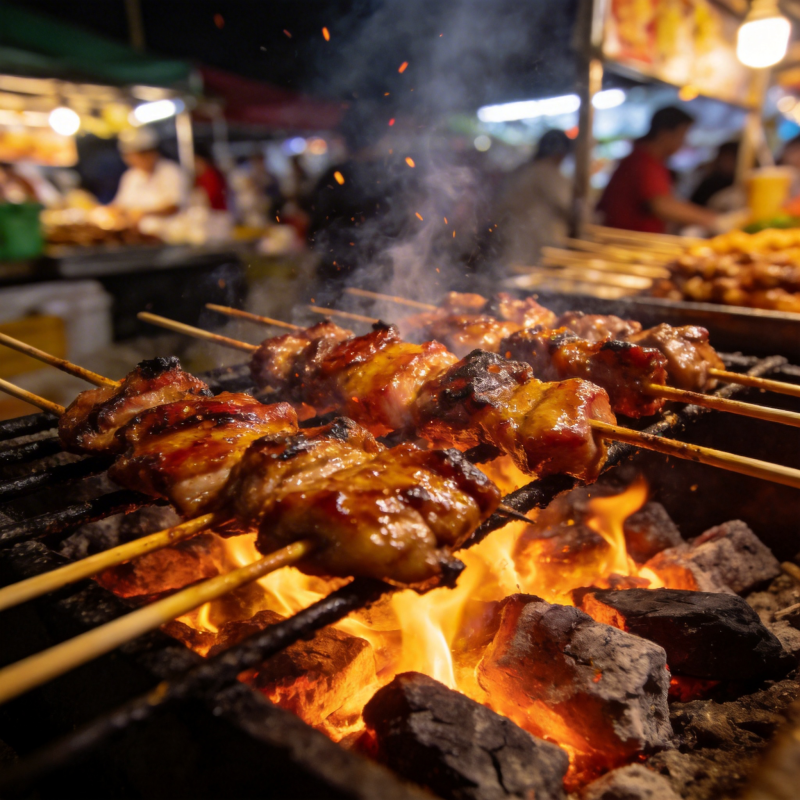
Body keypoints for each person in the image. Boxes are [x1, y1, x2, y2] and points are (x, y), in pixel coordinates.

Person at [597, 106, 717, 233]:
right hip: (626, 242)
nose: (684, 142)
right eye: (682, 135)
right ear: (665, 134)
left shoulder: (646, 159)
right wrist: (714, 220)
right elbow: (662, 205)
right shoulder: (644, 162)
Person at [495, 129, 573, 265]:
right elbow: (568, 206)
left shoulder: (523, 170)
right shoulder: (546, 172)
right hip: (538, 247)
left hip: (516, 244)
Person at [110, 126, 187, 220]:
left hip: (171, 231)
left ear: (153, 152)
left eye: (142, 154)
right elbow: (120, 204)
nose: (135, 160)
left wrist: (143, 213)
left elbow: (174, 207)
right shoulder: (131, 176)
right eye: (130, 156)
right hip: (139, 231)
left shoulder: (171, 172)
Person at [690, 141, 739, 207]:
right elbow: (694, 205)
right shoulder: (711, 182)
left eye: (730, 159)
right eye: (724, 158)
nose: (726, 162)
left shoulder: (741, 182)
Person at [194, 145, 227, 211]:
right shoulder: (200, 176)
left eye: (197, 161)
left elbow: (212, 197)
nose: (195, 165)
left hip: (217, 214)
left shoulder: (211, 175)